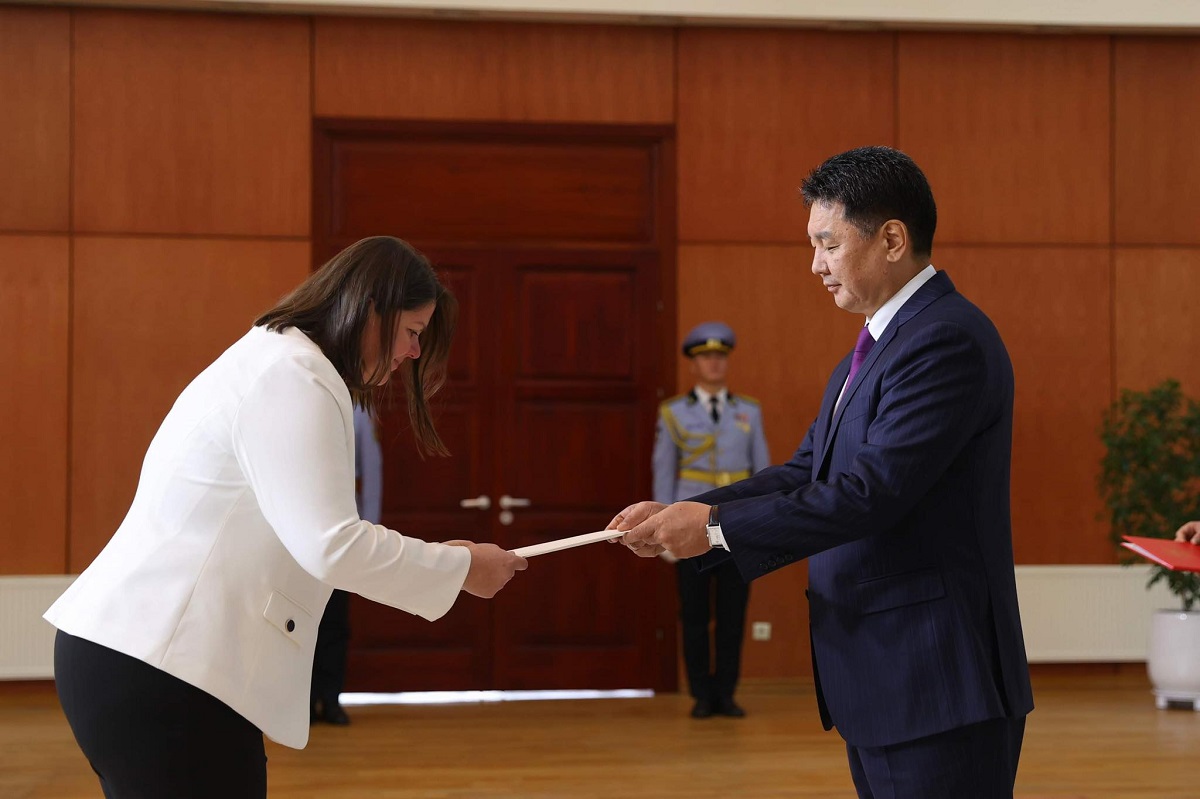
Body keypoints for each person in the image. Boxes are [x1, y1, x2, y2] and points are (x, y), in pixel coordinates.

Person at [612, 147, 1033, 798]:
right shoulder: (871, 350)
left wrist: (716, 526)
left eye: (828, 244)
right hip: (883, 675)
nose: (815, 264)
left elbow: (870, 494)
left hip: (935, 676)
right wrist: (685, 510)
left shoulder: (944, 339)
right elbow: (807, 471)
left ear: (891, 239)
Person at [44, 236, 527, 798]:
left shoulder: (280, 361)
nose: (414, 352)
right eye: (413, 331)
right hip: (160, 665)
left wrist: (449, 563)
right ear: (372, 309)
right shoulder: (295, 374)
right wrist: (461, 568)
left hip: (152, 661)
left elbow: (311, 535)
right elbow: (332, 545)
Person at [653, 321, 769, 719]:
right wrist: (662, 529)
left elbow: (763, 472)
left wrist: (762, 522)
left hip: (737, 524)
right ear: (694, 364)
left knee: (733, 614)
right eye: (706, 358)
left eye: (720, 356)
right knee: (695, 614)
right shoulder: (673, 413)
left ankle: (727, 693)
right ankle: (701, 693)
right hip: (688, 524)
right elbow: (663, 473)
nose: (714, 364)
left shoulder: (748, 411)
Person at [310, 404, 383, 726]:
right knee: (298, 621)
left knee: (334, 623)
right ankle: (302, 702)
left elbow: (372, 471)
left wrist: (371, 532)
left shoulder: (356, 411)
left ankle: (330, 698)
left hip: (340, 534)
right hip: (296, 535)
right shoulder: (295, 402)